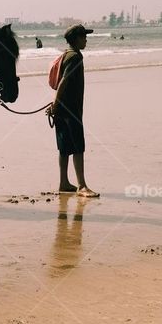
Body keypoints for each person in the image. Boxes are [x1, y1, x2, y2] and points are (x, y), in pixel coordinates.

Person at [45, 23, 99, 197]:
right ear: (76, 39)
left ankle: (63, 182)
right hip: (71, 110)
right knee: (78, 147)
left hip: (62, 109)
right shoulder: (76, 57)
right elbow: (64, 81)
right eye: (84, 37)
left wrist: (55, 105)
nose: (86, 40)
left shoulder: (65, 55)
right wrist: (55, 103)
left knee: (64, 148)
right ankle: (82, 186)